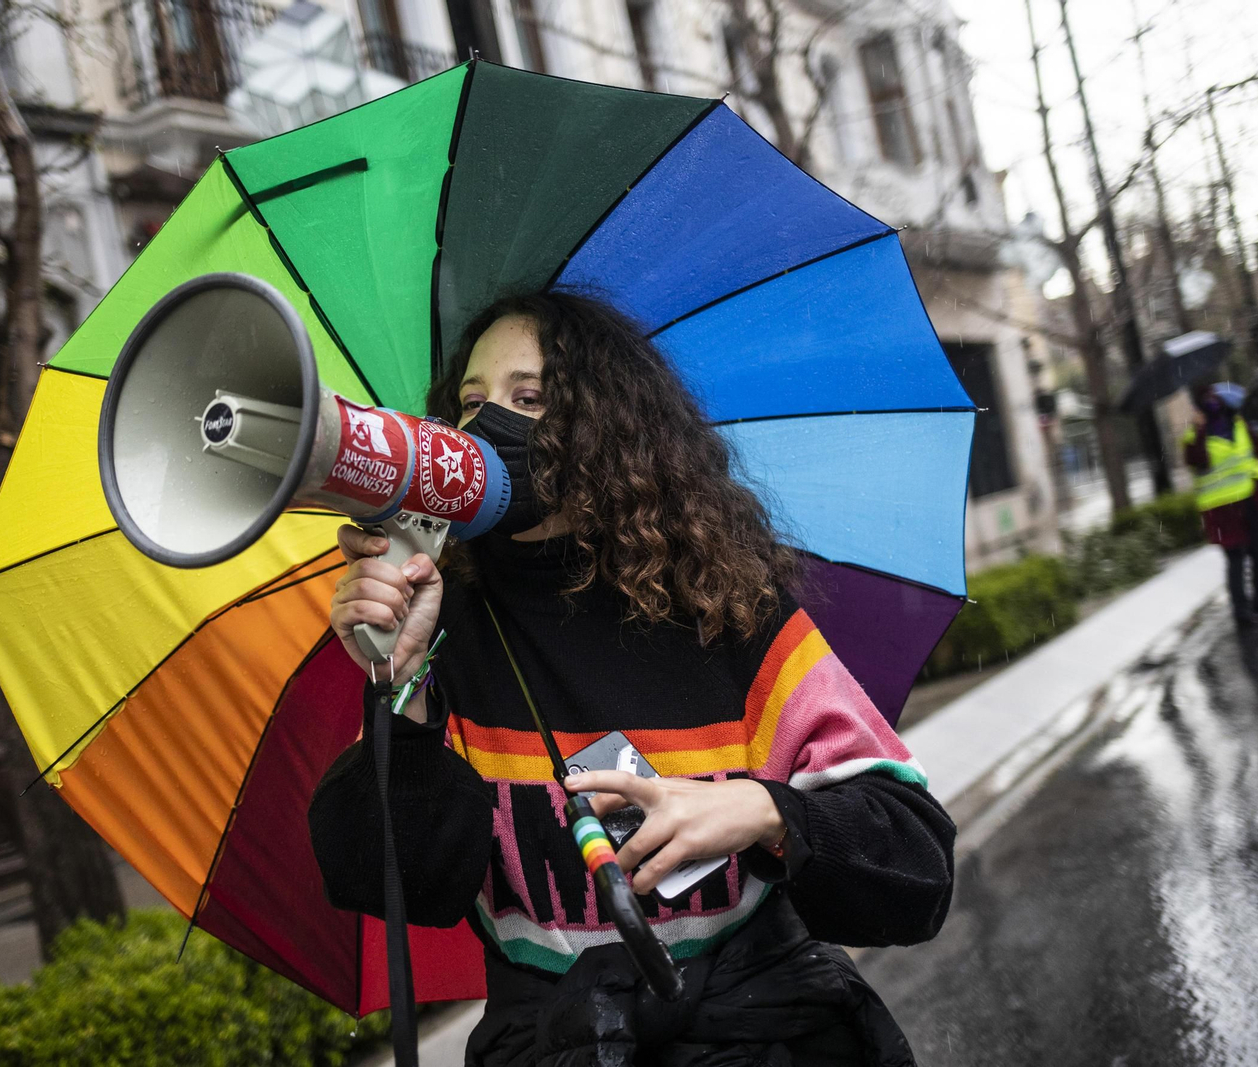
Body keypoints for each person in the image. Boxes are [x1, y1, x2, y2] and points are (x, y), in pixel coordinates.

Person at [308, 291, 955, 1067]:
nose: (486, 427)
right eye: (471, 404)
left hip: (765, 1038)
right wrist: (400, 680)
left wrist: (761, 812)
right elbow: (389, 877)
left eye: (529, 399)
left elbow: (916, 861)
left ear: (606, 426)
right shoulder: (443, 622)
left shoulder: (726, 607)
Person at [1183, 381, 1258, 627]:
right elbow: (1197, 460)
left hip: (1248, 499)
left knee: (1256, 553)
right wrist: (1198, 430)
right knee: (1237, 558)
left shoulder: (1238, 423)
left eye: (1214, 397)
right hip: (1222, 509)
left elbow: (1255, 453)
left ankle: (1256, 604)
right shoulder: (1196, 434)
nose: (1213, 402)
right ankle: (1242, 611)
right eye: (1207, 398)